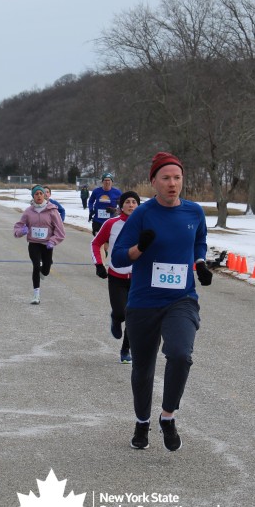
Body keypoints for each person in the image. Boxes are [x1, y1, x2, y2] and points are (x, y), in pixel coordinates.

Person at [112, 152, 212, 452]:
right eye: (166, 178)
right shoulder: (143, 214)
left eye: (177, 178)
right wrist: (139, 248)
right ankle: (141, 422)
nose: (172, 183)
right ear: (153, 182)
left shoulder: (194, 212)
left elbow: (199, 241)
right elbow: (118, 257)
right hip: (143, 302)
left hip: (181, 299)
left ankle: (167, 416)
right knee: (143, 369)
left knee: (180, 354)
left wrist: (200, 263)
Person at [91, 190, 140, 364]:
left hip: (138, 278)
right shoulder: (111, 223)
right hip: (116, 276)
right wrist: (99, 264)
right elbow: (96, 243)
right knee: (121, 313)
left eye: (134, 202)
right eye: (127, 202)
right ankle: (115, 318)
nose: (131, 205)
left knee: (134, 316)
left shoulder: (145, 224)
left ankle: (126, 349)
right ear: (121, 205)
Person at [13, 185, 65, 305]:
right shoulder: (28, 211)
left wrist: (53, 241)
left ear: (45, 195)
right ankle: (36, 294)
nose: (39, 196)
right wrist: (22, 231)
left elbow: (60, 231)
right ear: (33, 196)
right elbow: (18, 227)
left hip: (47, 244)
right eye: (36, 194)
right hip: (34, 243)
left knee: (46, 270)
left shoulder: (52, 211)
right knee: (36, 266)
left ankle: (44, 270)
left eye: (41, 193)